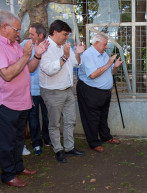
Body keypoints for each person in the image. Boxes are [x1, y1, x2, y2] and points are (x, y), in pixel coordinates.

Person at [0, 10, 49, 187]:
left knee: (19, 139)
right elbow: (7, 74)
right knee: (7, 142)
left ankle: (18, 167)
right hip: (7, 103)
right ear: (4, 27)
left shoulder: (14, 45)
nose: (19, 33)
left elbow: (27, 69)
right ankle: (8, 175)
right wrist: (27, 55)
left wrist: (37, 55)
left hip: (22, 100)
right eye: (17, 29)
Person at [39, 20, 85, 163]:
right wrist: (64, 57)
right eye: (64, 34)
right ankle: (58, 150)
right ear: (55, 32)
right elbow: (49, 70)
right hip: (52, 92)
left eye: (67, 35)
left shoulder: (64, 46)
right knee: (54, 123)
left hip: (68, 90)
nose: (66, 37)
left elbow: (76, 63)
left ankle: (69, 147)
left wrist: (77, 53)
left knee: (70, 121)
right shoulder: (45, 47)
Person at [77, 34, 123, 152]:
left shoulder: (103, 54)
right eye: (104, 44)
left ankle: (105, 137)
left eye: (106, 44)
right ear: (96, 43)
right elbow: (92, 75)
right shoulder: (88, 55)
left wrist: (115, 66)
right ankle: (93, 143)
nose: (106, 47)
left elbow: (111, 71)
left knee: (103, 116)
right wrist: (108, 63)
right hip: (91, 90)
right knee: (91, 118)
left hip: (104, 92)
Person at [21, 23, 51, 155]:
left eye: (32, 34)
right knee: (33, 118)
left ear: (41, 35)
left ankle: (47, 139)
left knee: (47, 116)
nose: (29, 36)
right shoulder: (24, 45)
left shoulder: (50, 45)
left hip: (46, 88)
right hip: (31, 90)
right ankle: (36, 143)